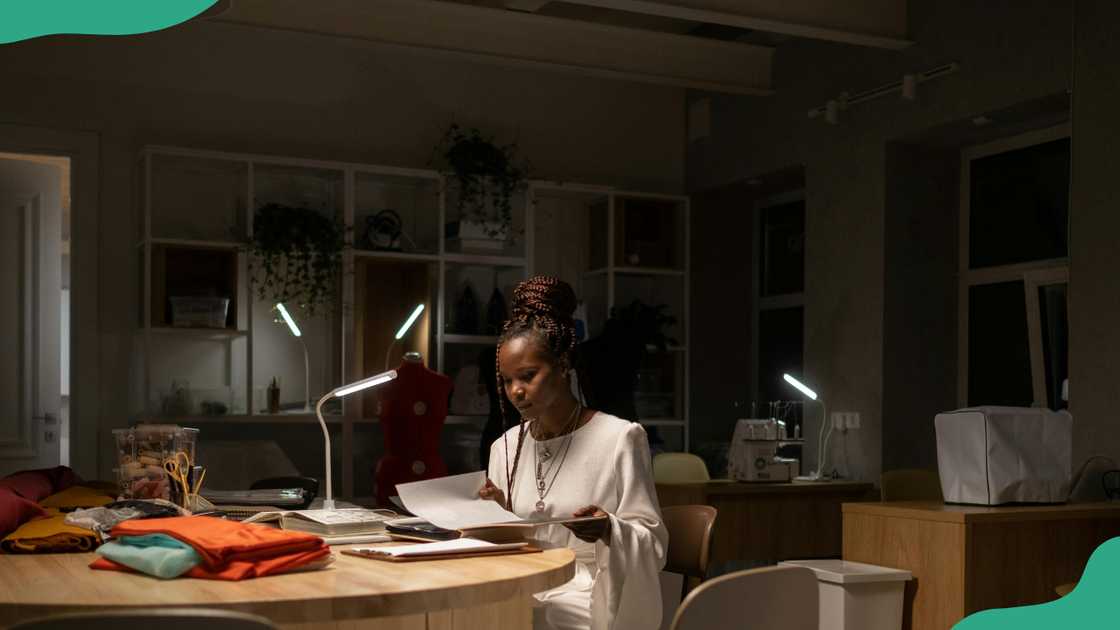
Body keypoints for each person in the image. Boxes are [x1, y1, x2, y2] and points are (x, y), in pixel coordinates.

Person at [478, 276, 668, 630]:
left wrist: (610, 530)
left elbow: (653, 544)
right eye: (507, 381)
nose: (516, 391)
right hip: (522, 583)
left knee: (531, 618)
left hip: (590, 589)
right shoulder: (503, 448)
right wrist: (499, 514)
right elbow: (511, 546)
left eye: (528, 375)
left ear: (564, 364)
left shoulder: (620, 438)